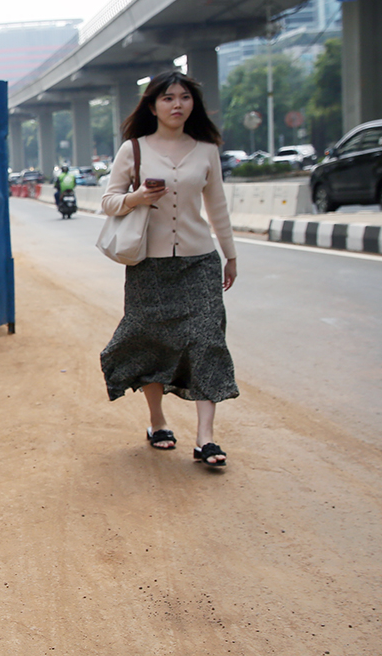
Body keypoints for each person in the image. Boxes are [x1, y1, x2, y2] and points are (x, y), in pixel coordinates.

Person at [99, 71, 238, 467]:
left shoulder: (206, 149)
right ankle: (157, 421)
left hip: (199, 263)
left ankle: (206, 438)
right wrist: (137, 197)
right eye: (168, 98)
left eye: (184, 97)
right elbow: (109, 201)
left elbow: (218, 208)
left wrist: (229, 255)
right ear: (153, 105)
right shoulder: (134, 149)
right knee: (151, 341)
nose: (177, 104)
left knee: (208, 341)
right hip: (149, 266)